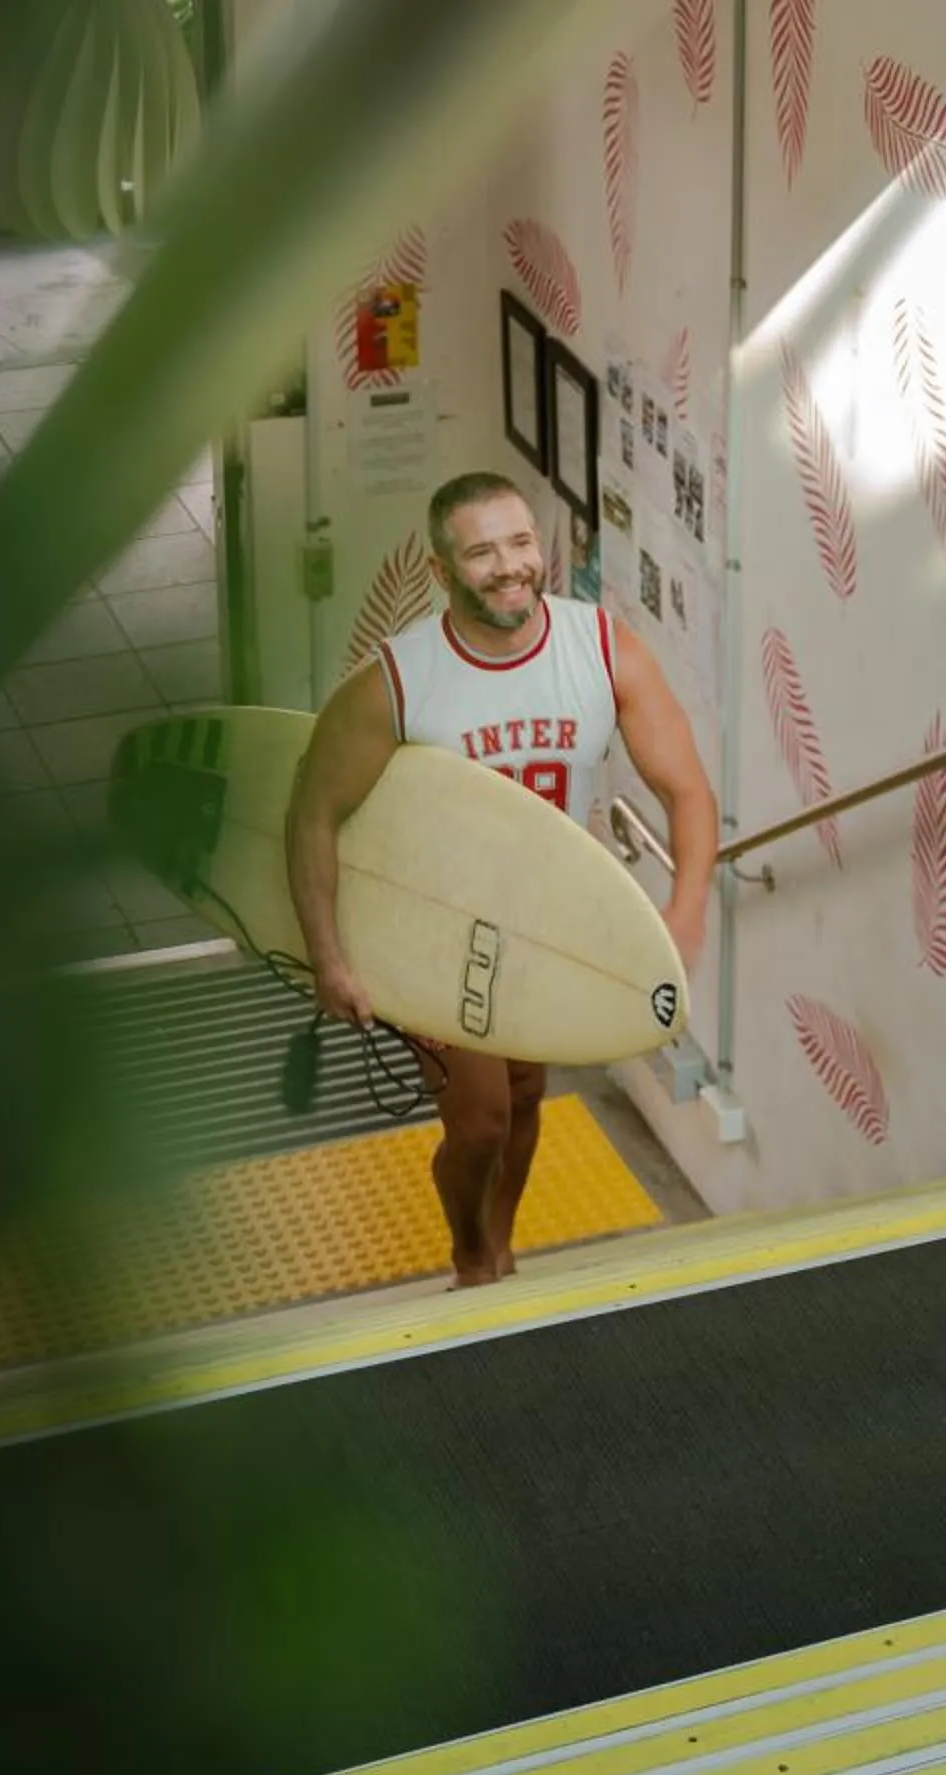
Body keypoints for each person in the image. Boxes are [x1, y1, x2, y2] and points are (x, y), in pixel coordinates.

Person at [288, 471, 718, 1288]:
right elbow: (311, 811)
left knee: (524, 1102)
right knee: (481, 1120)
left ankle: (502, 1236)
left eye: (520, 543)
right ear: (441, 569)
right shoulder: (398, 680)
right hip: (433, 930)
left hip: (544, 927)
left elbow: (688, 790)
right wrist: (329, 954)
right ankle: (472, 1253)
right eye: (481, 553)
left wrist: (685, 910)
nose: (510, 566)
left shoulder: (601, 649)